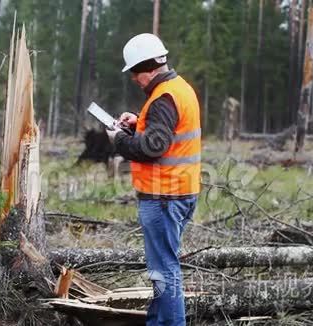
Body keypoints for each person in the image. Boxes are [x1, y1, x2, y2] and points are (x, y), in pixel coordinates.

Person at [106, 33, 201, 326]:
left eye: (135, 72)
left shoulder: (163, 99)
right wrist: (138, 123)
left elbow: (153, 149)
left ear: (148, 67)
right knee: (162, 268)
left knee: (165, 270)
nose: (134, 79)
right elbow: (165, 135)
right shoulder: (178, 88)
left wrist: (119, 140)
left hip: (163, 197)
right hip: (179, 192)